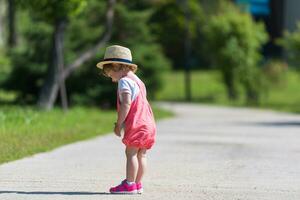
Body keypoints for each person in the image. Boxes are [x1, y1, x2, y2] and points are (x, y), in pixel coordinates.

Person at [96, 45, 156, 194]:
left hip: (136, 124)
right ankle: (137, 184)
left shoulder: (124, 82)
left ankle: (129, 184)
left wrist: (119, 123)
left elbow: (126, 104)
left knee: (131, 154)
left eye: (110, 74)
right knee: (142, 154)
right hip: (148, 123)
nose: (111, 79)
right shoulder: (138, 81)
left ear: (117, 66)